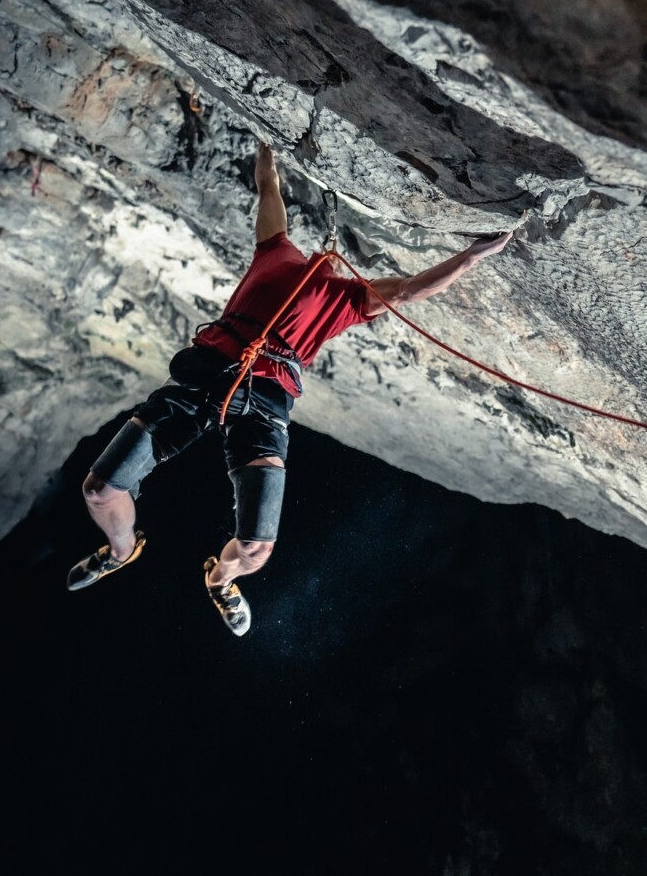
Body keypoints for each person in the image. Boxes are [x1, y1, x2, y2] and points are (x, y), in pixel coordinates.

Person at [67, 141, 514, 634]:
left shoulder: (347, 299)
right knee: (98, 489)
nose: (333, 260)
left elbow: (411, 288)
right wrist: (266, 148)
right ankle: (121, 550)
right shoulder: (275, 251)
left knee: (257, 547)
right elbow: (268, 187)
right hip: (206, 373)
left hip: (265, 402)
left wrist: (470, 258)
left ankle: (221, 579)